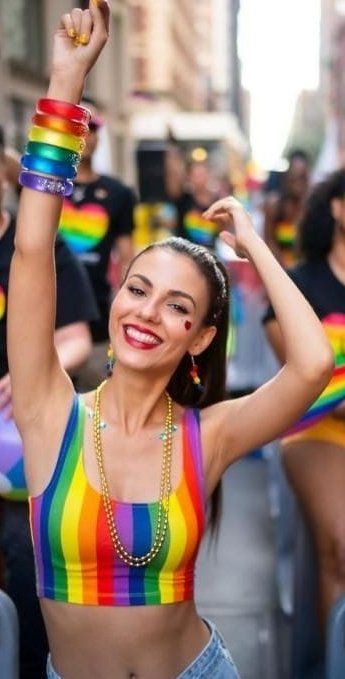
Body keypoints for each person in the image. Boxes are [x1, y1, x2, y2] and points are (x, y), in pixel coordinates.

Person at [7, 4, 333, 678]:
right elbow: (33, 245)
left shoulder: (206, 436)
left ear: (200, 337)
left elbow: (312, 363)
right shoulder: (50, 412)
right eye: (137, 288)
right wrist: (65, 82)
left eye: (177, 305)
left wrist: (253, 244)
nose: (146, 311)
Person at [0, 129, 99, 678]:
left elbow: (77, 337)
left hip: (18, 444)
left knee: (30, 548)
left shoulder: (45, 248)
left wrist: (32, 367)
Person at [263, 168, 345, 634]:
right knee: (340, 547)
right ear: (335, 208)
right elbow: (309, 383)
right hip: (317, 431)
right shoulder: (299, 286)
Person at [58, 95, 136, 390]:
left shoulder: (119, 193)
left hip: (99, 320)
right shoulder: (48, 187)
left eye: (92, 126)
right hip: (50, 319)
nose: (85, 134)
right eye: (76, 125)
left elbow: (128, 258)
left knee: (94, 410)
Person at [263, 149, 310, 267]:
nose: (298, 183)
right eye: (295, 176)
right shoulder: (274, 205)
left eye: (302, 177)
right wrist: (285, 267)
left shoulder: (311, 208)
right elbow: (269, 241)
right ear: (287, 176)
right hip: (279, 270)